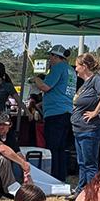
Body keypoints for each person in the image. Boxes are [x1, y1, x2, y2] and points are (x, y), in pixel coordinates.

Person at [69, 52, 100, 200]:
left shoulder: (96, 80)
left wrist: (95, 112)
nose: (75, 69)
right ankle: (81, 189)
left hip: (90, 130)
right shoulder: (85, 83)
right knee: (82, 163)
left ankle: (93, 193)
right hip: (79, 130)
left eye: (77, 66)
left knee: (90, 164)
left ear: (85, 66)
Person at [32, 45, 77, 184]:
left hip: (55, 113)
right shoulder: (71, 70)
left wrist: (36, 79)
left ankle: (53, 178)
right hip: (66, 112)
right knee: (61, 148)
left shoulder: (58, 68)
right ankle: (61, 177)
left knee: (52, 148)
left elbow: (45, 86)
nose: (49, 59)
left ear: (56, 56)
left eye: (50, 56)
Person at [0, 113, 31, 198]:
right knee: (3, 158)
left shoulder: (11, 135)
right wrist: (22, 163)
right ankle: (12, 190)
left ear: (10, 125)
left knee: (15, 160)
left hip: (5, 178)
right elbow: (2, 149)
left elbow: (18, 153)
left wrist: (26, 172)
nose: (1, 127)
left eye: (4, 124)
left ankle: (7, 191)